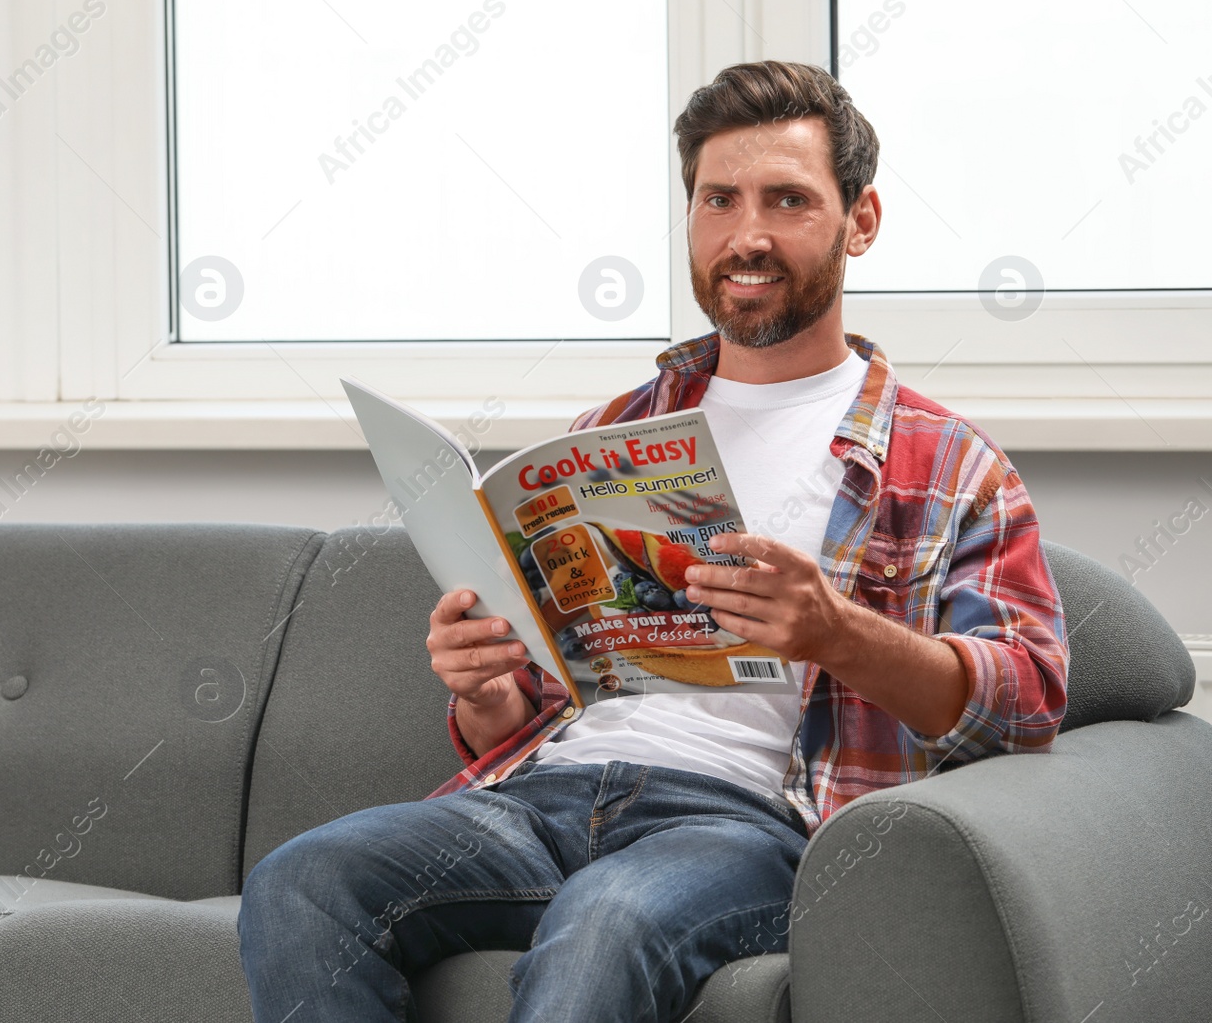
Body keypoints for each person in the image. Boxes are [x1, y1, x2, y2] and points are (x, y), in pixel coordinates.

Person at [239, 58, 1069, 1023]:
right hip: (543, 798)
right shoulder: (612, 433)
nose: (746, 235)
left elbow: (1027, 706)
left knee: (609, 919)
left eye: (788, 200)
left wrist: (835, 631)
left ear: (861, 221)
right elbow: (550, 694)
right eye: (719, 200)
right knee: (302, 880)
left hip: (748, 825)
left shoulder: (951, 465)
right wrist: (491, 696)